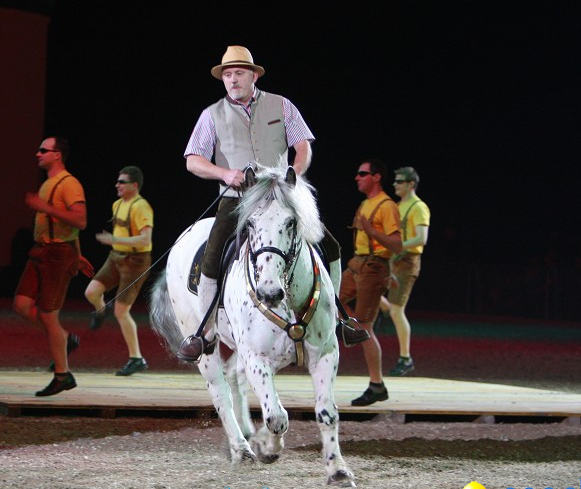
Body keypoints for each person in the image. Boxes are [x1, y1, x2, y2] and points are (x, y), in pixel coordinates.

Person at [179, 45, 363, 361]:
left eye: (238, 73)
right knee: (212, 256)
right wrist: (224, 173)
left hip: (280, 197)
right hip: (238, 199)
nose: (232, 79)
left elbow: (303, 146)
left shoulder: (282, 106)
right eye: (227, 74)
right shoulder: (211, 115)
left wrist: (295, 171)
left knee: (329, 246)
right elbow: (192, 160)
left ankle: (336, 318)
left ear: (253, 75)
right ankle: (205, 331)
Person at [14, 137, 90, 397]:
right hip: (42, 250)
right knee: (22, 305)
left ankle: (63, 374)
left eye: (43, 150)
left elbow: (80, 221)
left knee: (49, 315)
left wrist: (45, 207)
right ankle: (65, 339)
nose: (38, 154)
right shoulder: (49, 183)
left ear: (57, 155)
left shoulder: (69, 184)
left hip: (57, 254)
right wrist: (78, 256)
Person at [341, 159, 402, 406]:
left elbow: (397, 245)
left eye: (362, 173)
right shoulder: (365, 203)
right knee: (328, 298)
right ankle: (356, 321)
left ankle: (377, 385)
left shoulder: (387, 206)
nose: (357, 177)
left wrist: (372, 230)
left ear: (376, 177)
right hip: (357, 264)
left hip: (374, 267)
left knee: (366, 327)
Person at [85, 166, 153, 376]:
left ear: (134, 185)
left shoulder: (141, 207)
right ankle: (101, 310)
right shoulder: (117, 204)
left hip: (135, 261)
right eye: (118, 181)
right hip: (116, 257)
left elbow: (145, 239)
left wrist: (114, 239)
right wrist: (115, 243)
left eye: (122, 182)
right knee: (91, 293)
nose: (117, 185)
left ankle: (136, 358)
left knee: (122, 312)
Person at [377, 166, 430, 377]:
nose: (395, 184)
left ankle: (405, 358)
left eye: (400, 181)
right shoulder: (399, 206)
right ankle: (384, 309)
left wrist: (398, 248)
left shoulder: (418, 207)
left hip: (407, 261)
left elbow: (421, 238)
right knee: (368, 291)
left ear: (411, 184)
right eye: (396, 181)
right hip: (394, 260)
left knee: (398, 310)